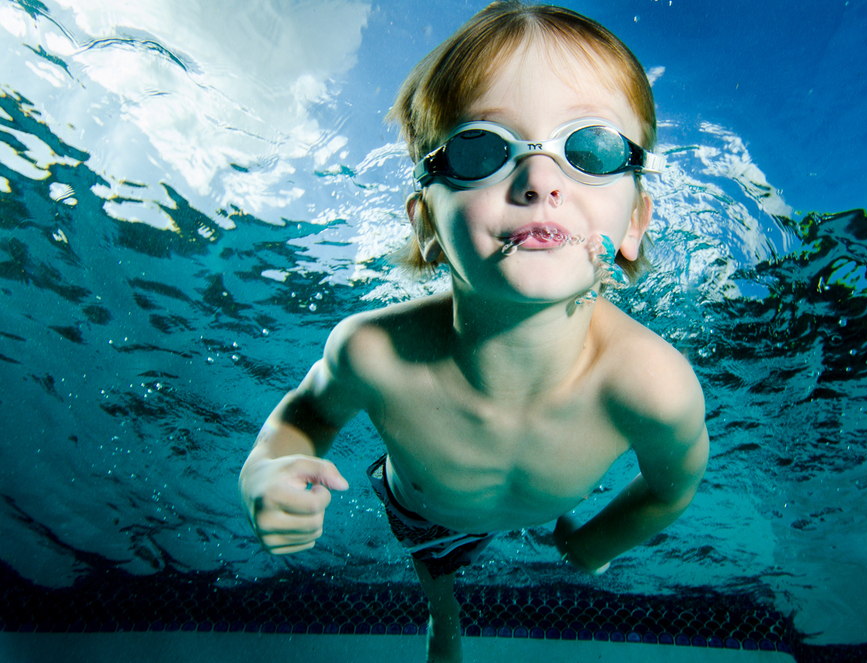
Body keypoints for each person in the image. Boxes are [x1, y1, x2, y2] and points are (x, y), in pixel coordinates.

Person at [239, 2, 709, 661]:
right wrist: (271, 467)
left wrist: (590, 545)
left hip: (539, 507)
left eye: (592, 149)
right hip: (424, 511)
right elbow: (306, 412)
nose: (541, 180)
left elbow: (670, 487)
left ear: (635, 223)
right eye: (480, 148)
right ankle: (442, 611)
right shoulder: (375, 352)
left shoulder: (653, 386)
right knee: (433, 563)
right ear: (426, 226)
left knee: (535, 542)